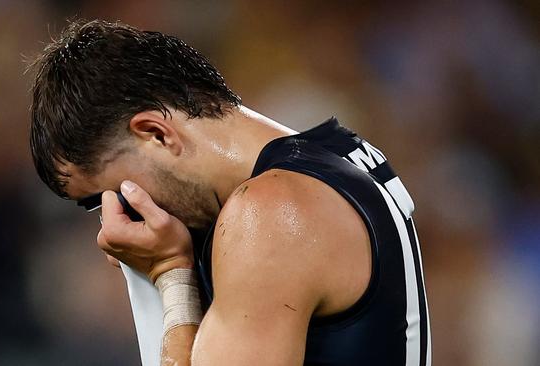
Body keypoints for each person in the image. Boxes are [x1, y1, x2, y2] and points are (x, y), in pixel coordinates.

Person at [29, 19, 431, 366]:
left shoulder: (268, 212)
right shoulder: (342, 152)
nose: (117, 223)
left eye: (112, 196)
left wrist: (170, 272)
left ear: (156, 133)